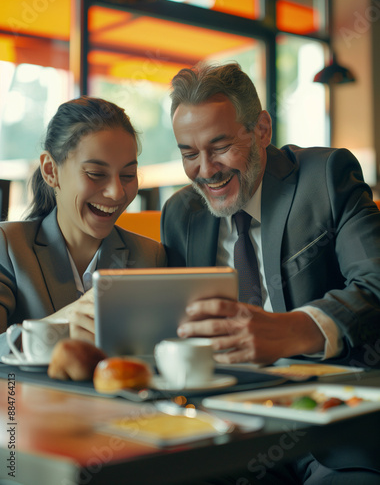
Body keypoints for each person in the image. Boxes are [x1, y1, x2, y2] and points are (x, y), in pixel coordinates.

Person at [160, 62, 380, 484]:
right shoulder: (181, 215)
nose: (205, 170)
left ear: (261, 129)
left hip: (334, 429)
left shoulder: (326, 177)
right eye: (189, 153)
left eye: (220, 146)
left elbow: (375, 285)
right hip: (228, 431)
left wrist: (294, 330)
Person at [0, 96, 166, 357]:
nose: (116, 192)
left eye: (128, 176)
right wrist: (60, 325)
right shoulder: (8, 247)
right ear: (50, 170)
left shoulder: (150, 256)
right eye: (96, 174)